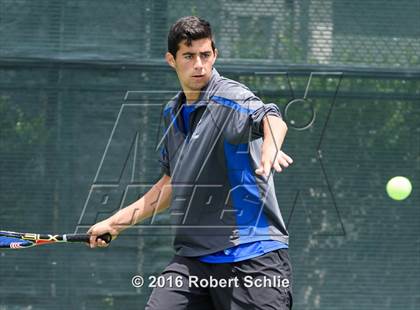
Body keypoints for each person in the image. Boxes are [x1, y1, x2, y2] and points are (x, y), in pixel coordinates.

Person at [88, 16, 294, 310]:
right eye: (189, 56)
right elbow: (170, 184)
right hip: (194, 259)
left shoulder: (229, 95)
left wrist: (271, 147)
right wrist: (115, 223)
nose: (199, 64)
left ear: (214, 55)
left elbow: (271, 118)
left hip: (252, 255)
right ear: (171, 60)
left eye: (205, 55)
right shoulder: (172, 112)